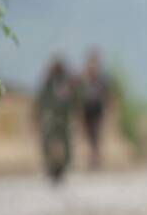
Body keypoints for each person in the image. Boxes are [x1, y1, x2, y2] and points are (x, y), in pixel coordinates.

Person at [35, 56, 75, 184]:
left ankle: (63, 167)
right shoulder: (49, 82)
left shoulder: (67, 82)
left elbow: (74, 99)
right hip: (51, 117)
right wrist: (39, 115)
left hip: (64, 118)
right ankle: (50, 166)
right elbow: (41, 99)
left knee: (66, 143)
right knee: (47, 142)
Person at [78, 48, 113, 169]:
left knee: (96, 134)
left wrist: (109, 105)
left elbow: (108, 93)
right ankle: (92, 157)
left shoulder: (102, 79)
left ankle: (96, 157)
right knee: (89, 134)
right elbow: (78, 94)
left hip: (97, 110)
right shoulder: (83, 79)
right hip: (86, 110)